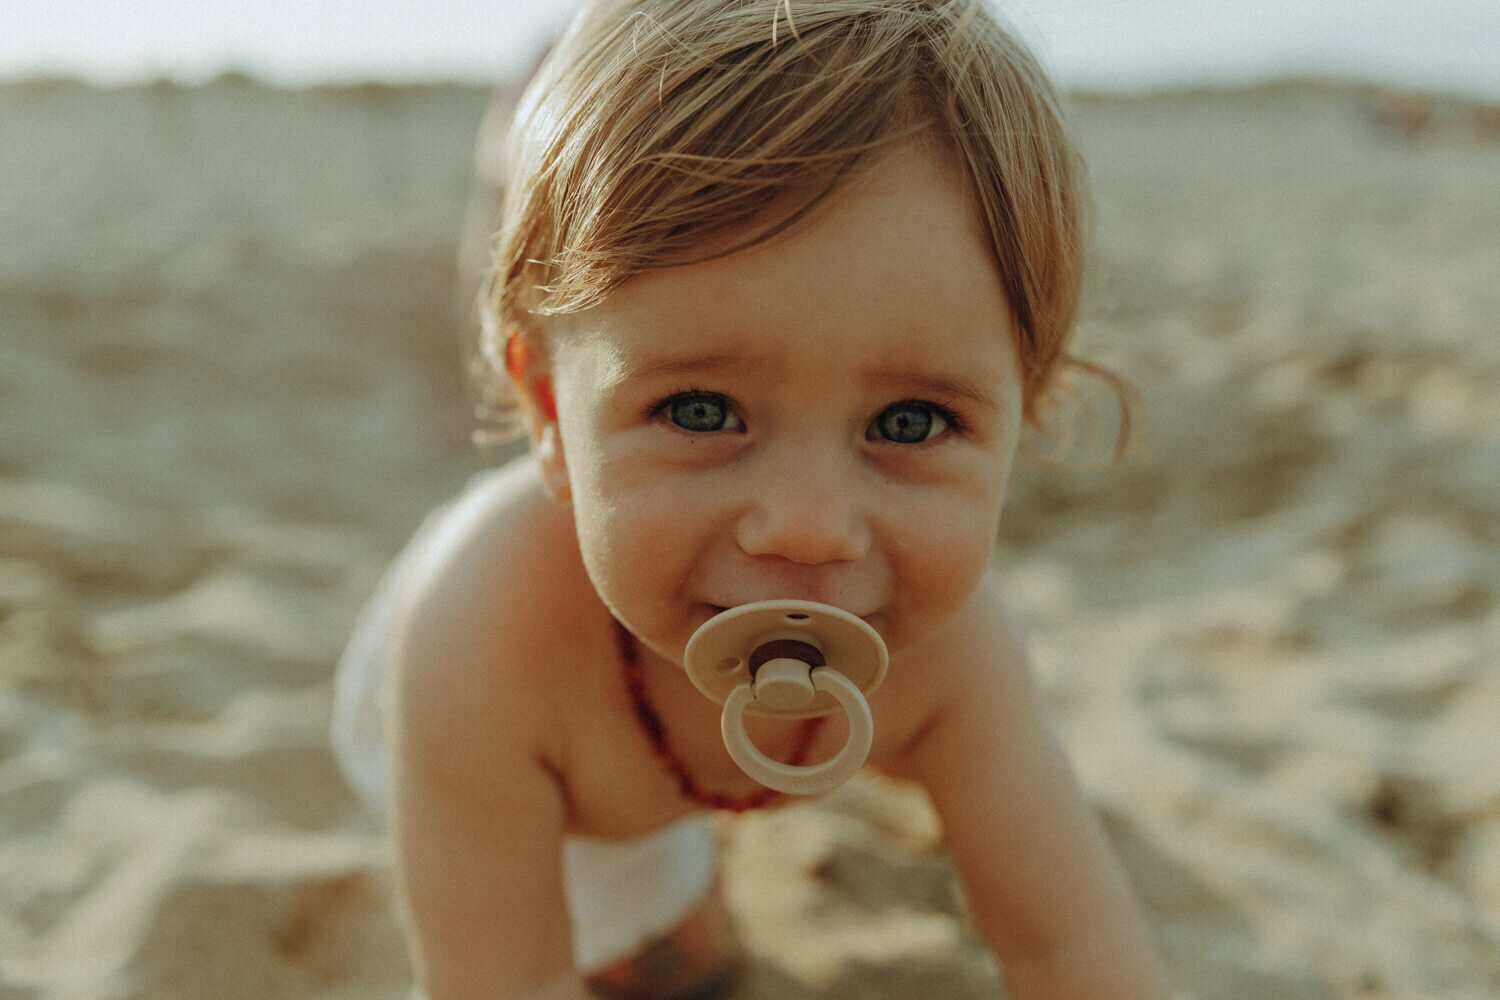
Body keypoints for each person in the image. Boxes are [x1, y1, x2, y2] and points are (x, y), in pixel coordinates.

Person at [331, 1, 1172, 998]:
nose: (808, 529)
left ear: (1020, 414)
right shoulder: (485, 642)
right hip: (465, 726)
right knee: (671, 966)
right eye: (700, 408)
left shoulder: (961, 656)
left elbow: (1070, 949)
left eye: (908, 423)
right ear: (553, 413)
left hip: (648, 733)